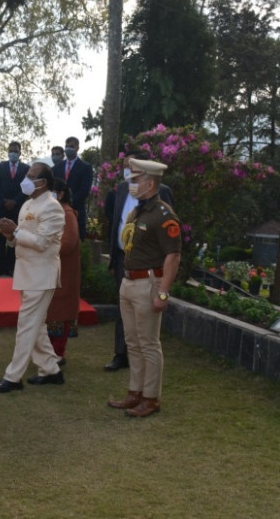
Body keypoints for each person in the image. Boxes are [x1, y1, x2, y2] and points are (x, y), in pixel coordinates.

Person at [108, 158, 181, 417]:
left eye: (136, 180)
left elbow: (173, 256)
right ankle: (135, 393)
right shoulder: (138, 211)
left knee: (149, 343)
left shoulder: (163, 214)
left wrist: (163, 291)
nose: (132, 184)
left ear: (150, 182)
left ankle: (151, 398)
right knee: (133, 341)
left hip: (148, 283)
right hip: (128, 282)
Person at [0, 162, 66, 392]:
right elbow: (22, 238)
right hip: (27, 272)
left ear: (42, 183)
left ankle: (13, 377)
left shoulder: (52, 207)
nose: (26, 179)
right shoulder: (28, 203)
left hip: (42, 274)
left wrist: (15, 231)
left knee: (26, 324)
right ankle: (51, 370)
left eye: (31, 176)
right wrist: (9, 235)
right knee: (37, 325)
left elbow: (42, 243)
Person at [103, 150, 174, 372]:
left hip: (149, 267)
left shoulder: (163, 194)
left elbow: (169, 244)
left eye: (132, 170)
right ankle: (121, 354)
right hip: (124, 260)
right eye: (126, 168)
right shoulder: (123, 189)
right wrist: (115, 257)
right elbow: (116, 222)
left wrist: (163, 288)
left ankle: (147, 378)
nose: (128, 175)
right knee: (123, 311)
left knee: (145, 324)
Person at [46, 178, 80, 364]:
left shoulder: (67, 214)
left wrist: (44, 245)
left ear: (59, 194)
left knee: (61, 311)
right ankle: (51, 351)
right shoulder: (56, 212)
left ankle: (58, 353)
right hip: (53, 269)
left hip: (64, 270)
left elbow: (68, 243)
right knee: (52, 311)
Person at [0, 141, 29, 276]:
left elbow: (26, 188)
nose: (13, 153)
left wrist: (15, 201)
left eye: (16, 151)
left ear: (20, 153)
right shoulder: (0, 167)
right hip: (1, 207)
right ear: (8, 151)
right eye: (11, 150)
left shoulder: (26, 168)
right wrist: (4, 200)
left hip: (18, 209)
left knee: (16, 237)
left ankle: (11, 267)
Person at [51, 136, 93, 240]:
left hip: (76, 210)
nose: (68, 148)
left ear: (77, 148)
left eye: (72, 146)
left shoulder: (85, 167)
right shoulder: (58, 167)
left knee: (74, 240)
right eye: (67, 146)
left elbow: (84, 190)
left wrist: (68, 203)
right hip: (57, 211)